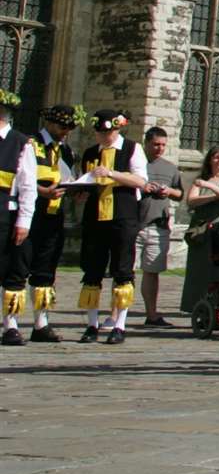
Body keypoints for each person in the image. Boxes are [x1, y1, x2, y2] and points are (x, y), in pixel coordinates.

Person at [77, 109, 149, 344]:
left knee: (122, 269)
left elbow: (141, 181)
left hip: (123, 215)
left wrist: (112, 173)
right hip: (95, 216)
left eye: (108, 132)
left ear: (117, 129)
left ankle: (119, 324)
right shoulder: (90, 153)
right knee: (92, 269)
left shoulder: (131, 148)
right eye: (100, 133)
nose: (104, 137)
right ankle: (91, 324)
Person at [24, 104, 79, 342]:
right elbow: (20, 178)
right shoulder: (31, 144)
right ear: (49, 122)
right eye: (62, 126)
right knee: (17, 268)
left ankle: (41, 323)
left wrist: (77, 191)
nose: (65, 131)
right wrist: (41, 191)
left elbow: (68, 179)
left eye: (69, 127)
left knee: (46, 271)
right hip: (30, 213)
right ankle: (11, 323)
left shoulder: (65, 151)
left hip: (54, 216)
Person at [180, 148, 219, 315]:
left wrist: (208, 187)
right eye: (215, 156)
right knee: (199, 270)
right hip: (201, 230)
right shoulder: (200, 179)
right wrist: (214, 196)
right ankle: (197, 305)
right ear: (209, 160)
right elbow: (191, 201)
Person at [132, 127, 183, 328]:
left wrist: (168, 190)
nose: (159, 148)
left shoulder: (170, 168)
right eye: (156, 144)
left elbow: (180, 193)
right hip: (134, 223)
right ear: (146, 143)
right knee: (125, 272)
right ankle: (116, 314)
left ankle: (151, 314)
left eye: (163, 145)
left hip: (158, 225)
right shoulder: (135, 163)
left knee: (152, 272)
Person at [0, 90, 38, 346]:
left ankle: (10, 324)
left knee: (11, 271)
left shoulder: (20, 143)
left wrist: (24, 221)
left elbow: (27, 185)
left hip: (7, 214)